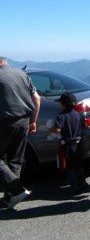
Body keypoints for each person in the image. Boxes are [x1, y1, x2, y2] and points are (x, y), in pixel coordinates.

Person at [0, 57, 41, 209]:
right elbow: (37, 99)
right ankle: (11, 198)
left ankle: (17, 189)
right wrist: (33, 121)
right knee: (15, 160)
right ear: (5, 62)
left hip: (4, 122)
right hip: (24, 121)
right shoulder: (23, 75)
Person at [49, 92, 88, 195]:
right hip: (79, 143)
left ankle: (75, 187)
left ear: (64, 104)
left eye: (60, 103)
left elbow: (57, 129)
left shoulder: (61, 116)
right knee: (79, 164)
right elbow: (84, 126)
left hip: (68, 145)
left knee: (70, 167)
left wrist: (50, 129)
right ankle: (83, 183)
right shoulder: (79, 114)